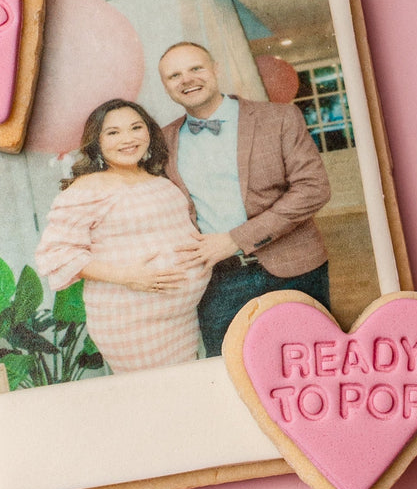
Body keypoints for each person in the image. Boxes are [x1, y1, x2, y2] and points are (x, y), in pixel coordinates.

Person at [158, 41, 332, 357]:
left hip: (294, 269)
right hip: (217, 281)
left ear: (215, 70)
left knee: (312, 365)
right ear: (166, 86)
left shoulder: (278, 118)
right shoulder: (162, 141)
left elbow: (313, 189)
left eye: (196, 68)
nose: (187, 79)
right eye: (174, 75)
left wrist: (236, 239)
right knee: (232, 371)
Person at [34, 99, 210, 373]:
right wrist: (130, 277)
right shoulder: (88, 188)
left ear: (149, 133)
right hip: (133, 322)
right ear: (97, 142)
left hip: (183, 319)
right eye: (113, 132)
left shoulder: (159, 178)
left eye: (135, 128)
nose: (127, 139)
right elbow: (56, 253)